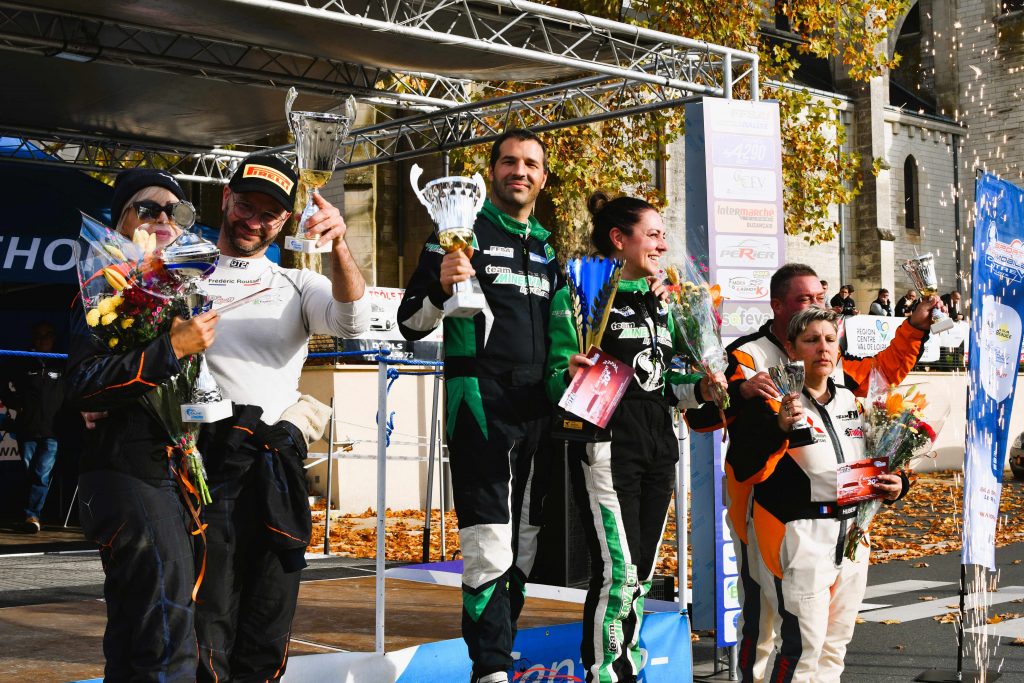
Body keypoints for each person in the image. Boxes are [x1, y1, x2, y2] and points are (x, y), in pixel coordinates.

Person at [686, 262, 941, 682]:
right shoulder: (748, 355)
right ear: (778, 308)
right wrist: (744, 398)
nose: (816, 310)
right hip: (768, 517)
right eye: (804, 300)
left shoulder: (839, 377)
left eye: (819, 298)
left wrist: (915, 327)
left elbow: (881, 378)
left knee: (826, 645)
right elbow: (707, 419)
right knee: (767, 625)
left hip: (843, 528)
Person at [194, 154, 369, 682]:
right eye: (246, 204)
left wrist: (340, 244)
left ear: (286, 222)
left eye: (270, 213)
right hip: (199, 470)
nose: (254, 220)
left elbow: (351, 321)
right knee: (206, 621)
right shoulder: (181, 269)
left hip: (272, 472)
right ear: (225, 199)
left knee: (269, 620)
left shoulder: (297, 282)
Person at [397, 129, 561, 683]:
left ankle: (501, 653)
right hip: (480, 401)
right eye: (510, 162)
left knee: (524, 547)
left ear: (543, 175)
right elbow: (409, 321)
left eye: (531, 164)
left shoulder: (546, 244)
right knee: (488, 545)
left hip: (538, 409)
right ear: (490, 172)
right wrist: (442, 289)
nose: (521, 171)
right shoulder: (458, 235)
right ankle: (489, 669)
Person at [545, 192, 728, 683]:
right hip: (607, 446)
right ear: (618, 240)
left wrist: (703, 389)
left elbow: (666, 383)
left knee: (642, 576)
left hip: (660, 448)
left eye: (663, 235)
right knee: (617, 574)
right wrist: (570, 372)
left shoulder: (663, 304)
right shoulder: (580, 295)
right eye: (653, 234)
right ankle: (605, 674)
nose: (662, 244)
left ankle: (629, 665)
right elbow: (554, 376)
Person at [66, 168, 217, 681]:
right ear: (121, 221)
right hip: (127, 473)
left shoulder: (179, 293)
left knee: (139, 632)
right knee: (166, 640)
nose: (162, 219)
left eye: (174, 211)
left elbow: (190, 390)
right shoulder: (105, 285)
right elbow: (84, 381)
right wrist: (171, 349)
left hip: (169, 476)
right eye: (148, 209)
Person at [730, 307, 908, 682]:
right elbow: (746, 466)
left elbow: (878, 460)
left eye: (830, 340)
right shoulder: (773, 402)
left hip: (854, 536)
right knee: (802, 650)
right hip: (801, 537)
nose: (822, 348)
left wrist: (897, 484)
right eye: (811, 340)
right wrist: (779, 426)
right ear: (792, 350)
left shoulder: (853, 402)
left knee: (834, 648)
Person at [1, 322, 65, 533]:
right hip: (27, 428)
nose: (43, 340)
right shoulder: (23, 361)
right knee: (28, 472)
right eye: (38, 336)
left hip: (52, 430)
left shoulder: (62, 361)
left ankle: (32, 516)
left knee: (41, 474)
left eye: (47, 335)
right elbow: (3, 380)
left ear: (53, 337)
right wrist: (13, 402)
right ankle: (28, 514)